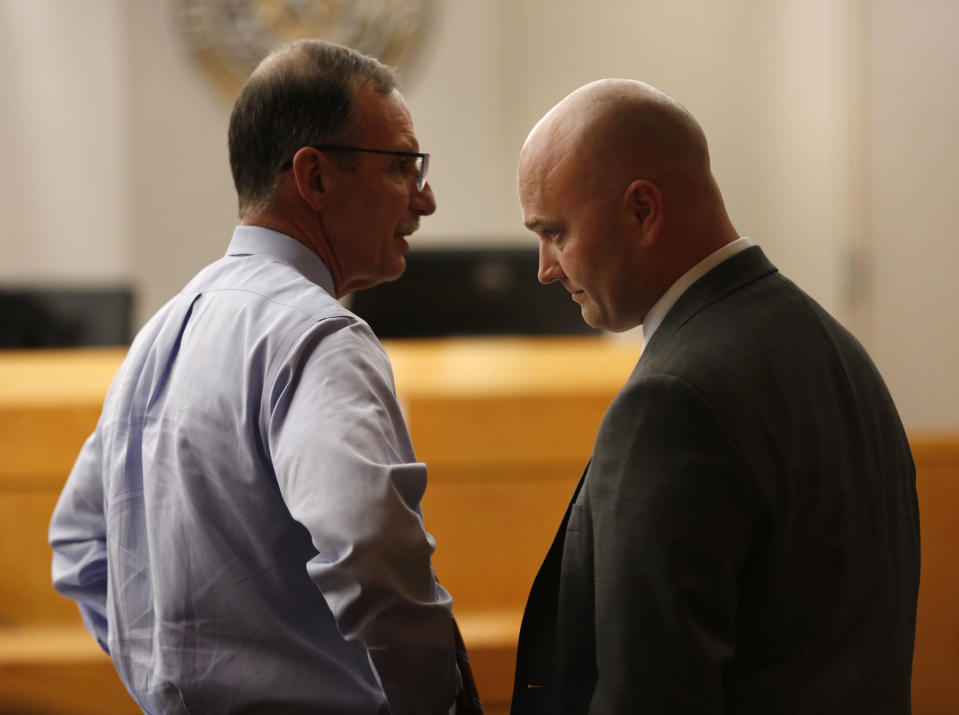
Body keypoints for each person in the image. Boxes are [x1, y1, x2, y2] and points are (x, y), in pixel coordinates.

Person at [49, 40, 480, 715]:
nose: (424, 199)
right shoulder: (318, 336)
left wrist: (168, 682)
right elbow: (372, 554)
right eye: (401, 166)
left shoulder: (160, 332)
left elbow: (78, 544)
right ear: (312, 178)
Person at [510, 79, 920, 714]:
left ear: (642, 211)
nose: (545, 267)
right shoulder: (837, 349)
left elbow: (650, 695)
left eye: (555, 232)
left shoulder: (671, 401)